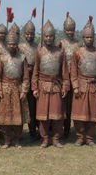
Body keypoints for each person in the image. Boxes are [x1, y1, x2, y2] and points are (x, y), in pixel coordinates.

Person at [32, 20, 70, 148]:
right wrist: (35, 88)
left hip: (56, 86)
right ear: (43, 36)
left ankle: (56, 138)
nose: (49, 38)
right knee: (43, 116)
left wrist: (65, 85)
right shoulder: (39, 51)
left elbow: (64, 71)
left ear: (54, 37)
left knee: (57, 114)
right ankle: (45, 139)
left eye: (51, 36)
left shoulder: (60, 52)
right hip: (42, 86)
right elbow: (35, 71)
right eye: (46, 36)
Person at [71, 17, 96, 147]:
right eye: (87, 37)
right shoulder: (77, 52)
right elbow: (73, 70)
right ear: (83, 38)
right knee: (79, 113)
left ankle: (90, 137)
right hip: (80, 85)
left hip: (94, 86)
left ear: (94, 37)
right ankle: (80, 137)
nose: (89, 39)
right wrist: (75, 86)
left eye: (91, 37)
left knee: (93, 113)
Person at [0, 31, 30, 149]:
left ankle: (16, 140)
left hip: (17, 89)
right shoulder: (2, 58)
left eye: (14, 44)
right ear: (7, 44)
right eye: (9, 44)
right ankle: (7, 140)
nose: (11, 46)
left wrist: (24, 91)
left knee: (18, 117)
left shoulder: (22, 58)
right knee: (5, 117)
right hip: (5, 90)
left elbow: (26, 76)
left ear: (17, 44)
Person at [56, 13, 79, 138]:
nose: (70, 32)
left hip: (74, 77)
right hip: (62, 78)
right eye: (68, 30)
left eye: (72, 30)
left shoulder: (77, 44)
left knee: (72, 105)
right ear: (64, 30)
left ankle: (68, 130)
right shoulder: (61, 43)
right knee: (62, 104)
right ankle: (61, 128)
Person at [19, 20, 38, 139]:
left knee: (34, 106)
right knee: (22, 105)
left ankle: (33, 131)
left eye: (31, 33)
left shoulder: (38, 46)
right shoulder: (20, 47)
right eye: (28, 33)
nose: (29, 35)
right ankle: (18, 133)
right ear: (24, 34)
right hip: (23, 78)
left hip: (35, 78)